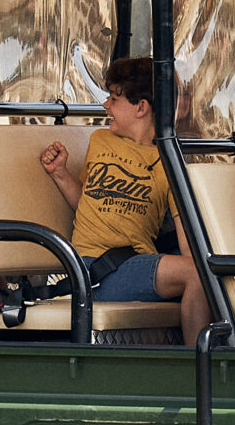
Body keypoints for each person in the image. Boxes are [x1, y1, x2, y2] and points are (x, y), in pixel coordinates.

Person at [37, 57, 214, 349]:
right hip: (88, 269)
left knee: (206, 271)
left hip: (134, 265)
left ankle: (226, 355)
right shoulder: (100, 141)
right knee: (198, 273)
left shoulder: (169, 161)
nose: (106, 105)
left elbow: (187, 243)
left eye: (114, 98)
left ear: (141, 107)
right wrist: (60, 174)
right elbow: (91, 203)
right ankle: (199, 365)